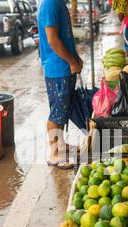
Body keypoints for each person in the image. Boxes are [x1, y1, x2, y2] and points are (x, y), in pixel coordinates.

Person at [38, 0, 83, 170]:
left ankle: (61, 144)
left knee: (63, 110)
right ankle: (55, 153)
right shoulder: (50, 4)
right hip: (58, 68)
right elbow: (52, 39)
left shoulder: (59, 3)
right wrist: (72, 61)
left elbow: (66, 36)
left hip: (65, 66)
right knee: (57, 112)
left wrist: (76, 58)